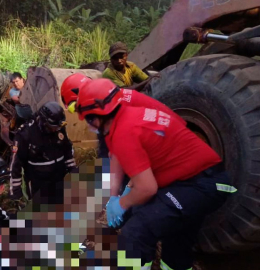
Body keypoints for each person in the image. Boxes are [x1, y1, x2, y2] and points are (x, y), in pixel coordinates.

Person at [75, 79, 236, 270]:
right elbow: (118, 157)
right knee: (174, 236)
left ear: (95, 117)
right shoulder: (125, 117)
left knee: (136, 232)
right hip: (191, 181)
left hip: (201, 184)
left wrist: (122, 203)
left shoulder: (125, 131)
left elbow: (147, 188)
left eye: (87, 119)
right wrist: (114, 197)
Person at [9, 101, 76, 206]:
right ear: (44, 122)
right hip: (38, 183)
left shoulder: (59, 126)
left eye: (59, 127)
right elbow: (15, 163)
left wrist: (73, 170)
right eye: (54, 127)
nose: (57, 130)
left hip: (60, 177)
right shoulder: (25, 134)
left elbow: (67, 150)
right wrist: (15, 193)